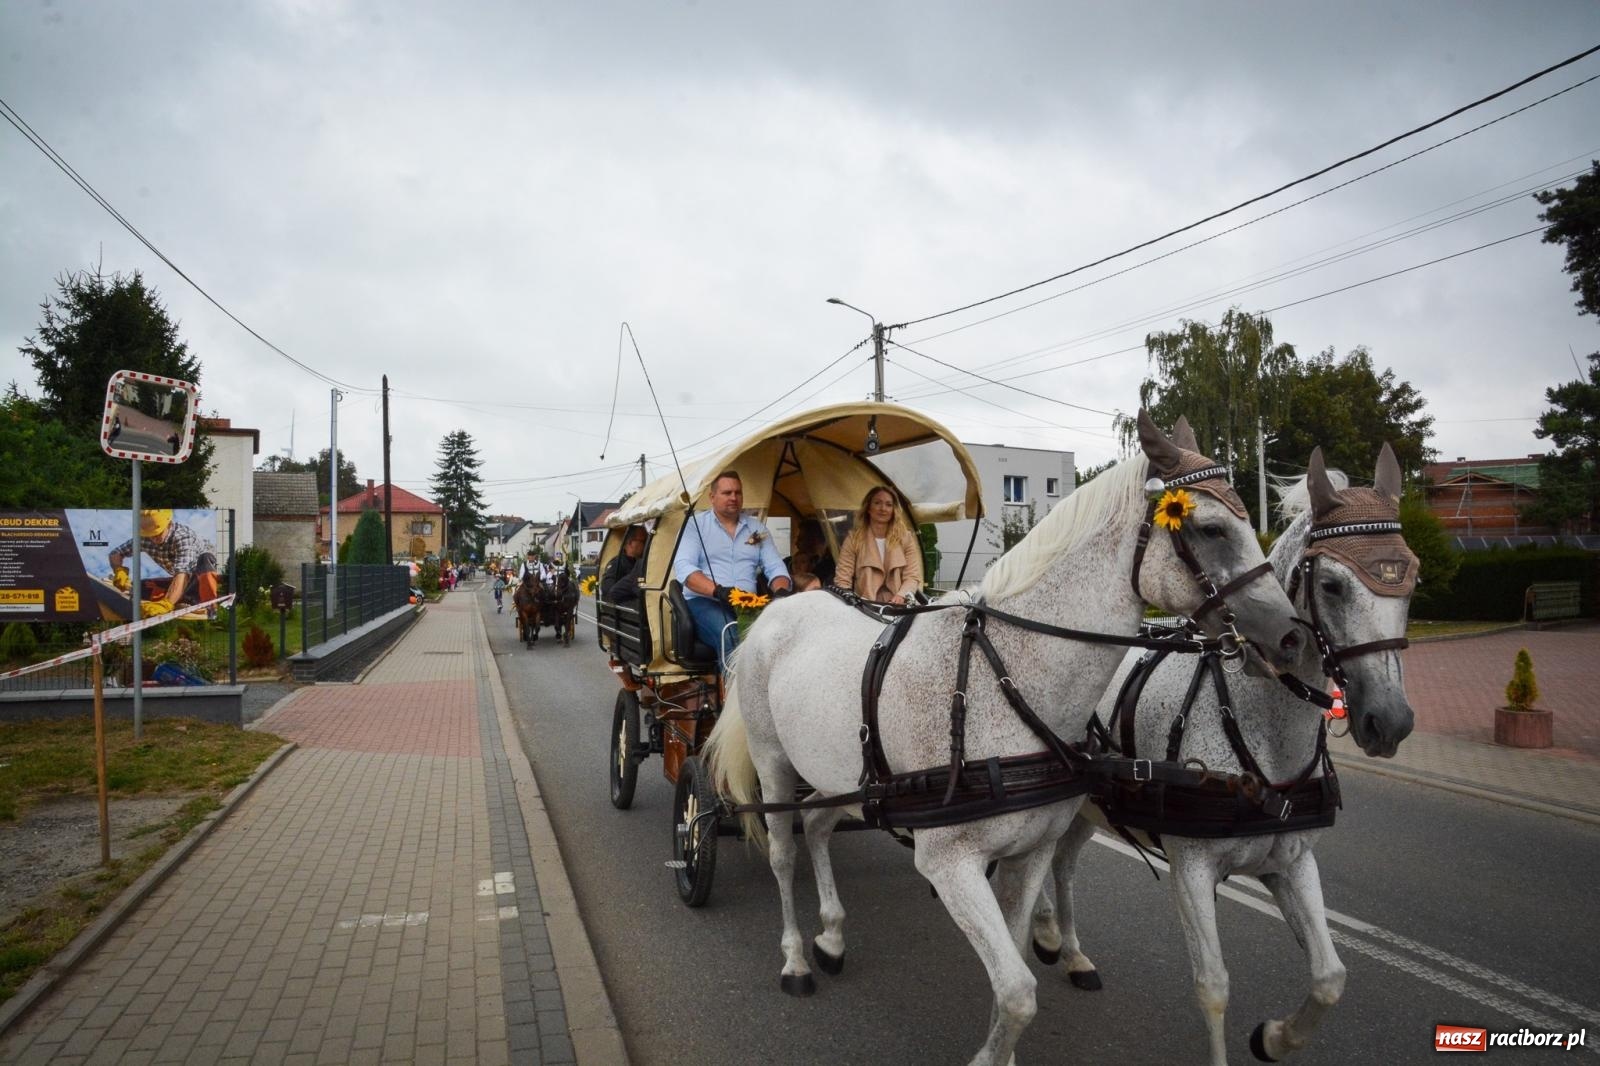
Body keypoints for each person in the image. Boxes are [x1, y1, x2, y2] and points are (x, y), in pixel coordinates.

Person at [672, 470, 791, 669]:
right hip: (705, 601)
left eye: (738, 492)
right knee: (731, 635)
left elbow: (775, 567)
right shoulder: (694, 526)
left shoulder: (757, 529)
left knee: (779, 637)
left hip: (748, 603)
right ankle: (734, 690)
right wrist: (719, 591)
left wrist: (781, 591)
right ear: (712, 497)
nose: (733, 497)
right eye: (727, 493)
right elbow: (685, 569)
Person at [107, 509, 220, 618]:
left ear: (169, 524)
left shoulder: (183, 537)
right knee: (141, 586)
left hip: (200, 578)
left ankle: (209, 606)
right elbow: (116, 553)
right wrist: (119, 571)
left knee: (206, 558)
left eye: (157, 533)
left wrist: (167, 604)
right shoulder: (144, 538)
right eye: (150, 535)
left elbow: (183, 573)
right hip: (181, 580)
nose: (153, 538)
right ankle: (181, 599)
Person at [833, 485, 923, 606]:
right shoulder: (853, 539)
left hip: (900, 606)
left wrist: (901, 595)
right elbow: (843, 578)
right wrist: (851, 602)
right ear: (868, 508)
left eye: (888, 505)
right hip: (864, 606)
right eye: (877, 503)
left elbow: (912, 576)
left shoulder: (906, 538)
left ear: (894, 510)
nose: (883, 508)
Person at [785, 518, 836, 593]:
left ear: (813, 540)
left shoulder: (829, 569)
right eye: (795, 562)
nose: (796, 543)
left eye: (801, 539)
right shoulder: (786, 563)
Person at [601, 525, 648, 607]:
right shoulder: (616, 564)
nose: (646, 544)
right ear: (630, 543)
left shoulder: (641, 561)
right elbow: (608, 590)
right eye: (643, 541)